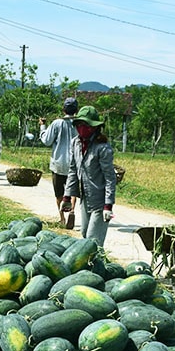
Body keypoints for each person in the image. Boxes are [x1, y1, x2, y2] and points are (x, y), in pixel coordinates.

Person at [61, 105, 116, 247]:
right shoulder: (75, 143)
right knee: (85, 233)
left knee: (93, 241)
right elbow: (73, 170)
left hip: (100, 201)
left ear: (94, 127)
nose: (82, 128)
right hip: (85, 198)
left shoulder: (102, 147)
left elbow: (110, 178)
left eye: (86, 125)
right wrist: (67, 197)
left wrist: (108, 205)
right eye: (79, 125)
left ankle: (96, 268)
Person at [40, 97, 79, 227]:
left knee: (59, 193)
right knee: (72, 190)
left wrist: (42, 126)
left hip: (59, 163)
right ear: (76, 110)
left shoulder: (57, 123)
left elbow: (46, 140)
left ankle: (62, 218)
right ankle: (72, 212)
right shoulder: (80, 123)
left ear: (63, 109)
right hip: (75, 163)